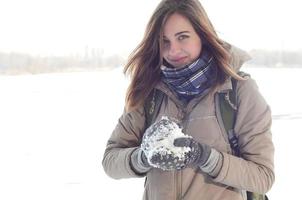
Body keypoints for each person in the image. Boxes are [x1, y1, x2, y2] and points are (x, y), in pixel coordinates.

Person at [102, 0, 275, 199]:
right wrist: (144, 156)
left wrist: (204, 156)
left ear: (202, 34)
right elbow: (110, 161)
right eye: (164, 41)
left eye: (182, 37)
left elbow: (263, 176)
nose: (173, 50)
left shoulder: (238, 90)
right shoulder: (148, 91)